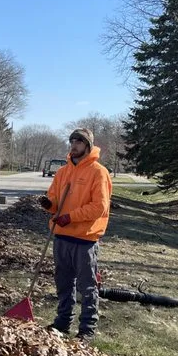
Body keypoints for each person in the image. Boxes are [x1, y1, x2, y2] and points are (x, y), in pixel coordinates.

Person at [38, 127, 112, 343]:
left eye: (79, 141)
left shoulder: (98, 172)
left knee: (87, 286)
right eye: (72, 140)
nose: (74, 144)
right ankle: (62, 322)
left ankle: (87, 329)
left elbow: (99, 207)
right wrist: (49, 205)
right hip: (61, 236)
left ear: (88, 145)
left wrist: (70, 217)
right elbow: (55, 202)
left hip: (85, 239)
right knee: (63, 282)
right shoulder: (62, 172)